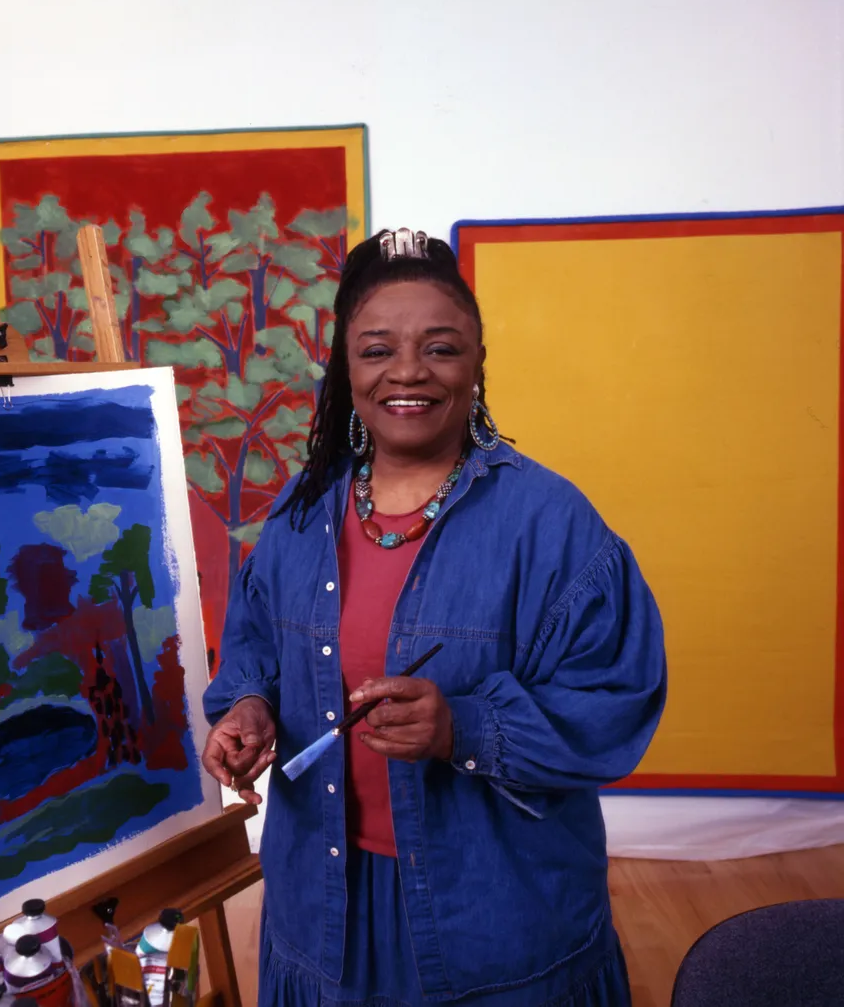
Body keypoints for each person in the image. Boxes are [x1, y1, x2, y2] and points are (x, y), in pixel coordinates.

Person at [201, 228, 667, 1006]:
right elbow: (250, 648)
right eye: (378, 349)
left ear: (478, 363)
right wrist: (247, 705)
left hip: (495, 919)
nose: (408, 371)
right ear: (347, 370)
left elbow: (616, 704)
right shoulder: (301, 511)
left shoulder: (552, 523)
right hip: (323, 908)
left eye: (441, 348)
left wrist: (464, 728)